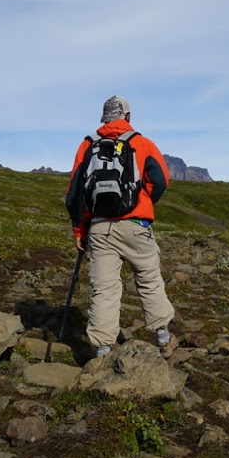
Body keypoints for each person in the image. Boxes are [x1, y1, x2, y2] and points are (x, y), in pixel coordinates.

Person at [65, 95, 177, 359]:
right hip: (136, 225)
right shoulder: (142, 143)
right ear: (127, 116)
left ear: (104, 118)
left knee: (105, 288)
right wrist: (142, 201)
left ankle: (104, 350)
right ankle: (163, 337)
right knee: (149, 280)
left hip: (100, 228)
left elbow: (75, 194)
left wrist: (79, 230)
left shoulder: (87, 145)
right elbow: (160, 181)